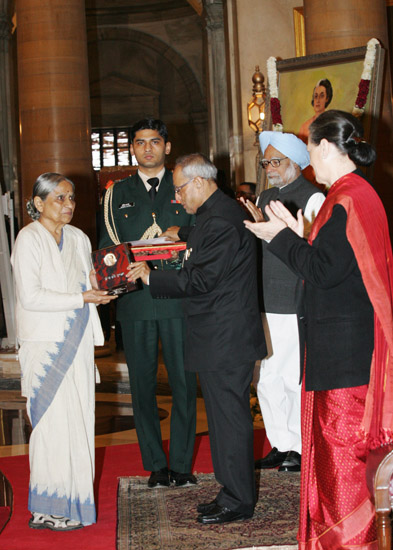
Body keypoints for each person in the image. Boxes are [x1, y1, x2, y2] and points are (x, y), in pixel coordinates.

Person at [244, 110, 393, 549]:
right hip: (349, 350)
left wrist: (280, 238)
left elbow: (324, 272)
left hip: (342, 358)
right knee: (340, 460)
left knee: (339, 465)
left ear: (326, 147)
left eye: (309, 150)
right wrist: (299, 235)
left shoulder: (345, 198)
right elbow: (337, 265)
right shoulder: (357, 193)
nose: (309, 160)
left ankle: (348, 542)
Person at [128, 153, 266, 524]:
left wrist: (150, 278)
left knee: (230, 419)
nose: (176, 199)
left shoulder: (220, 218)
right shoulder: (215, 213)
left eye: (179, 190)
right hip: (219, 335)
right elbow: (204, 237)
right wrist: (181, 233)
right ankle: (231, 489)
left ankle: (238, 500)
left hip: (226, 337)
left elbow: (201, 279)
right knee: (222, 420)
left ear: (200, 183)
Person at [11, 173, 115, 531]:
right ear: (38, 203)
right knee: (50, 427)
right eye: (60, 198)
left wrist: (107, 287)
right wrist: (82, 297)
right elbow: (31, 297)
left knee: (80, 421)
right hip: (44, 345)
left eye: (71, 198)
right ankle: (46, 508)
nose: (69, 205)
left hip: (78, 340)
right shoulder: (28, 239)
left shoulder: (79, 237)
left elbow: (90, 280)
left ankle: (74, 506)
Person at [99, 118, 197, 488]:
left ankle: (183, 465)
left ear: (167, 147)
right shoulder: (115, 193)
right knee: (140, 386)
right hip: (137, 302)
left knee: (185, 383)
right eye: (140, 142)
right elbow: (108, 245)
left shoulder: (185, 186)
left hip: (178, 298)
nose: (148, 149)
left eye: (155, 142)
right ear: (132, 149)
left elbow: (202, 237)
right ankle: (156, 464)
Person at [243, 132, 325, 473]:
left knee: (292, 376)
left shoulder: (315, 197)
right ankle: (280, 443)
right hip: (265, 299)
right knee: (267, 377)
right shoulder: (265, 196)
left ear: (296, 162)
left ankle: (300, 446)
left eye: (276, 162)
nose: (270, 168)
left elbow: (317, 250)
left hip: (294, 300)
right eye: (266, 162)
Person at [298, 78, 333, 142]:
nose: (318, 100)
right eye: (316, 96)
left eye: (322, 96)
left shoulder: (331, 124)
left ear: (327, 99)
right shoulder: (304, 127)